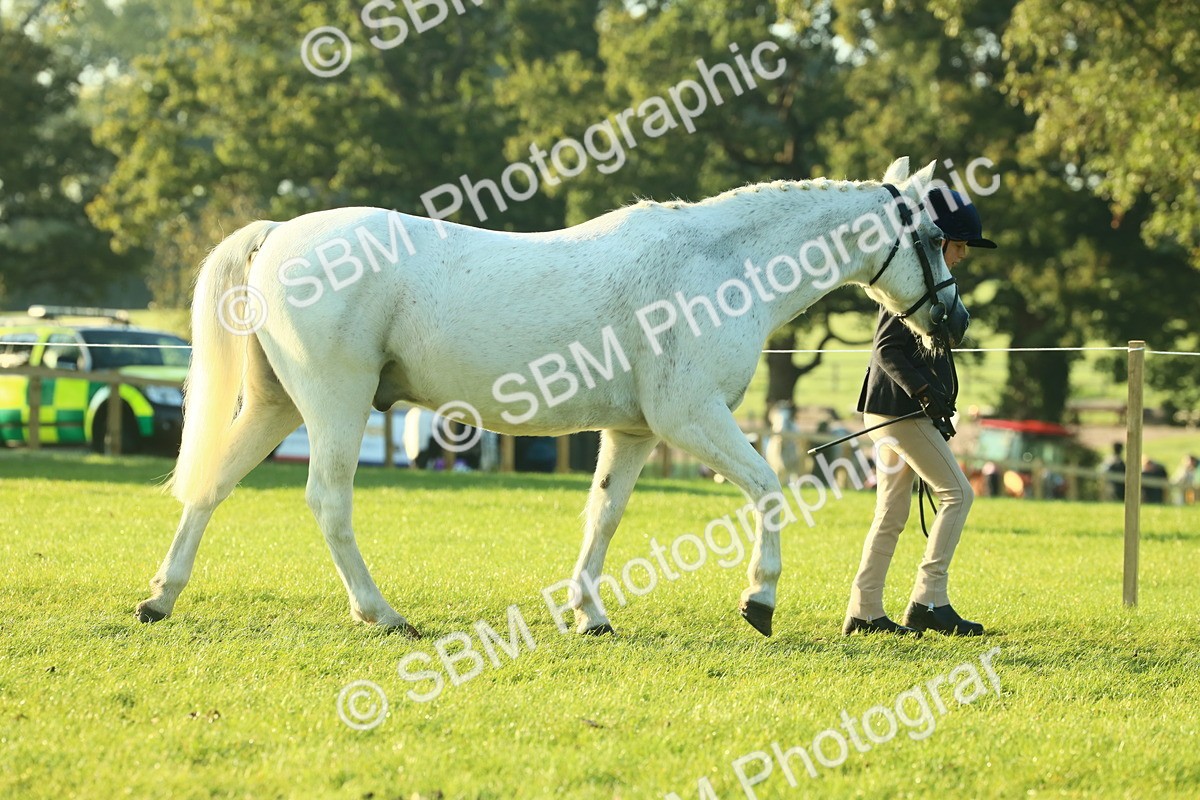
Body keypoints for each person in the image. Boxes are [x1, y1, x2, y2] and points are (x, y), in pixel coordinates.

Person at [843, 187, 996, 638]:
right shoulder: (912, 283)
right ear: (938, 241)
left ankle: (864, 611)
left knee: (891, 514)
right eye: (960, 245)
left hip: (891, 412)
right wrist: (925, 392)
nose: (964, 255)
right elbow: (887, 350)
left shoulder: (930, 284)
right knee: (958, 495)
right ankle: (929, 601)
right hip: (901, 414)